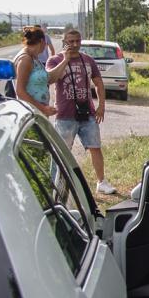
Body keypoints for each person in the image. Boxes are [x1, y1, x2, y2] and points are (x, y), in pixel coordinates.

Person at [47, 29, 116, 195]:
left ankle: (101, 182)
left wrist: (101, 106)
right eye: (71, 41)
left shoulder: (88, 60)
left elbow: (99, 83)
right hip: (64, 114)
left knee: (95, 147)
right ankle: (56, 186)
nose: (75, 44)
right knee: (62, 151)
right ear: (65, 42)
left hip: (87, 113)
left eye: (78, 41)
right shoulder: (54, 59)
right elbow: (50, 79)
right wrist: (65, 60)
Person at [12, 26, 67, 116]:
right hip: (30, 113)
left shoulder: (34, 57)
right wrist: (43, 108)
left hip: (38, 112)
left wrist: (65, 60)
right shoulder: (25, 59)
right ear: (42, 41)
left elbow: (49, 79)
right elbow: (20, 91)